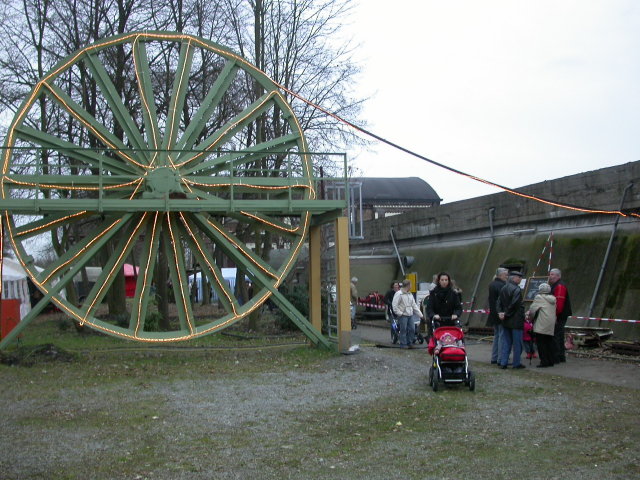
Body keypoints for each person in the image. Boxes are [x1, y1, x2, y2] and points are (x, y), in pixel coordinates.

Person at [497, 271, 525, 369]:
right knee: (517, 344)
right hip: (516, 320)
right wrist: (507, 314)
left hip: (506, 320)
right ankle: (516, 363)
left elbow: (499, 302)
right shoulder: (516, 289)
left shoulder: (504, 288)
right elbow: (515, 304)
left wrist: (501, 312)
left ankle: (503, 362)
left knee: (506, 342)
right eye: (519, 277)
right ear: (514, 278)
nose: (520, 279)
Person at [527, 282, 557, 368]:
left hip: (541, 323)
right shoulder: (553, 299)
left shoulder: (539, 297)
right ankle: (550, 360)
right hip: (550, 324)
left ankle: (544, 361)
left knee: (541, 344)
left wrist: (530, 318)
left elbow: (532, 310)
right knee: (549, 343)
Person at [392, 279, 424, 349]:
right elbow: (394, 305)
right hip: (403, 315)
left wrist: (421, 315)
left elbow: (414, 305)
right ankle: (403, 344)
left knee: (412, 329)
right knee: (403, 330)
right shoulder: (398, 294)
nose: (411, 286)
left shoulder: (410, 294)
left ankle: (410, 342)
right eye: (411, 285)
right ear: (408, 285)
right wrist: (400, 313)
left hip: (410, 314)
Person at [548, 268, 571, 363]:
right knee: (559, 336)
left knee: (556, 336)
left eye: (553, 274)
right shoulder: (556, 285)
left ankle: (556, 357)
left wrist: (555, 316)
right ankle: (561, 356)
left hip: (559, 316)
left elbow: (559, 304)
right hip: (560, 315)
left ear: (558, 276)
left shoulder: (560, 286)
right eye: (550, 274)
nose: (550, 276)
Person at [487, 267, 508, 365]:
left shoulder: (492, 284)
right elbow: (503, 301)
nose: (507, 277)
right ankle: (500, 359)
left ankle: (494, 357)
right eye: (505, 275)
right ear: (500, 275)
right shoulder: (502, 286)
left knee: (496, 336)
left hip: (493, 314)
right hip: (500, 314)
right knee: (501, 336)